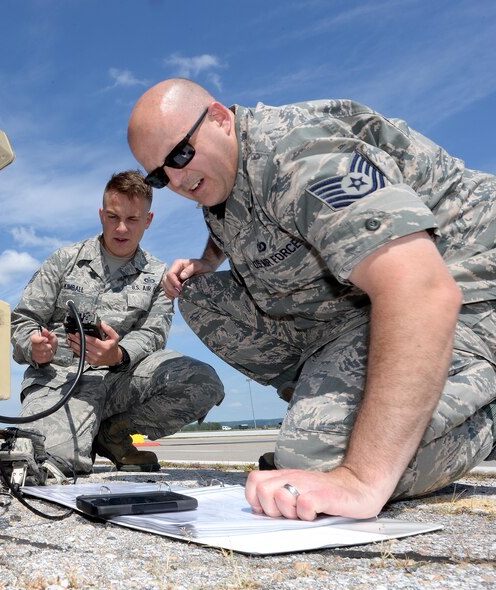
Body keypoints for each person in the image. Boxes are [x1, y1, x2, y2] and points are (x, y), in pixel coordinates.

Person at [127, 79, 496, 521]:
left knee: (315, 465)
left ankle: (474, 395)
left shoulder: (302, 156)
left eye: (180, 155)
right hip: (354, 312)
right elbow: (234, 217)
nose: (176, 180)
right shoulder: (216, 176)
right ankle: (329, 402)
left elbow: (421, 288)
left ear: (221, 118)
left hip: (468, 292)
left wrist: (359, 477)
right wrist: (208, 261)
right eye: (157, 175)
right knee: (201, 296)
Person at [10, 170, 224, 479]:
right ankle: (79, 433)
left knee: (202, 382)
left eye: (133, 220)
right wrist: (34, 347)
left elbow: (153, 333)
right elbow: (24, 318)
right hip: (60, 381)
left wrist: (118, 354)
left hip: (118, 381)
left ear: (148, 220)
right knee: (46, 459)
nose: (121, 228)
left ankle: (111, 433)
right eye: (113, 217)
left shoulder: (157, 276)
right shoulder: (65, 260)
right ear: (101, 215)